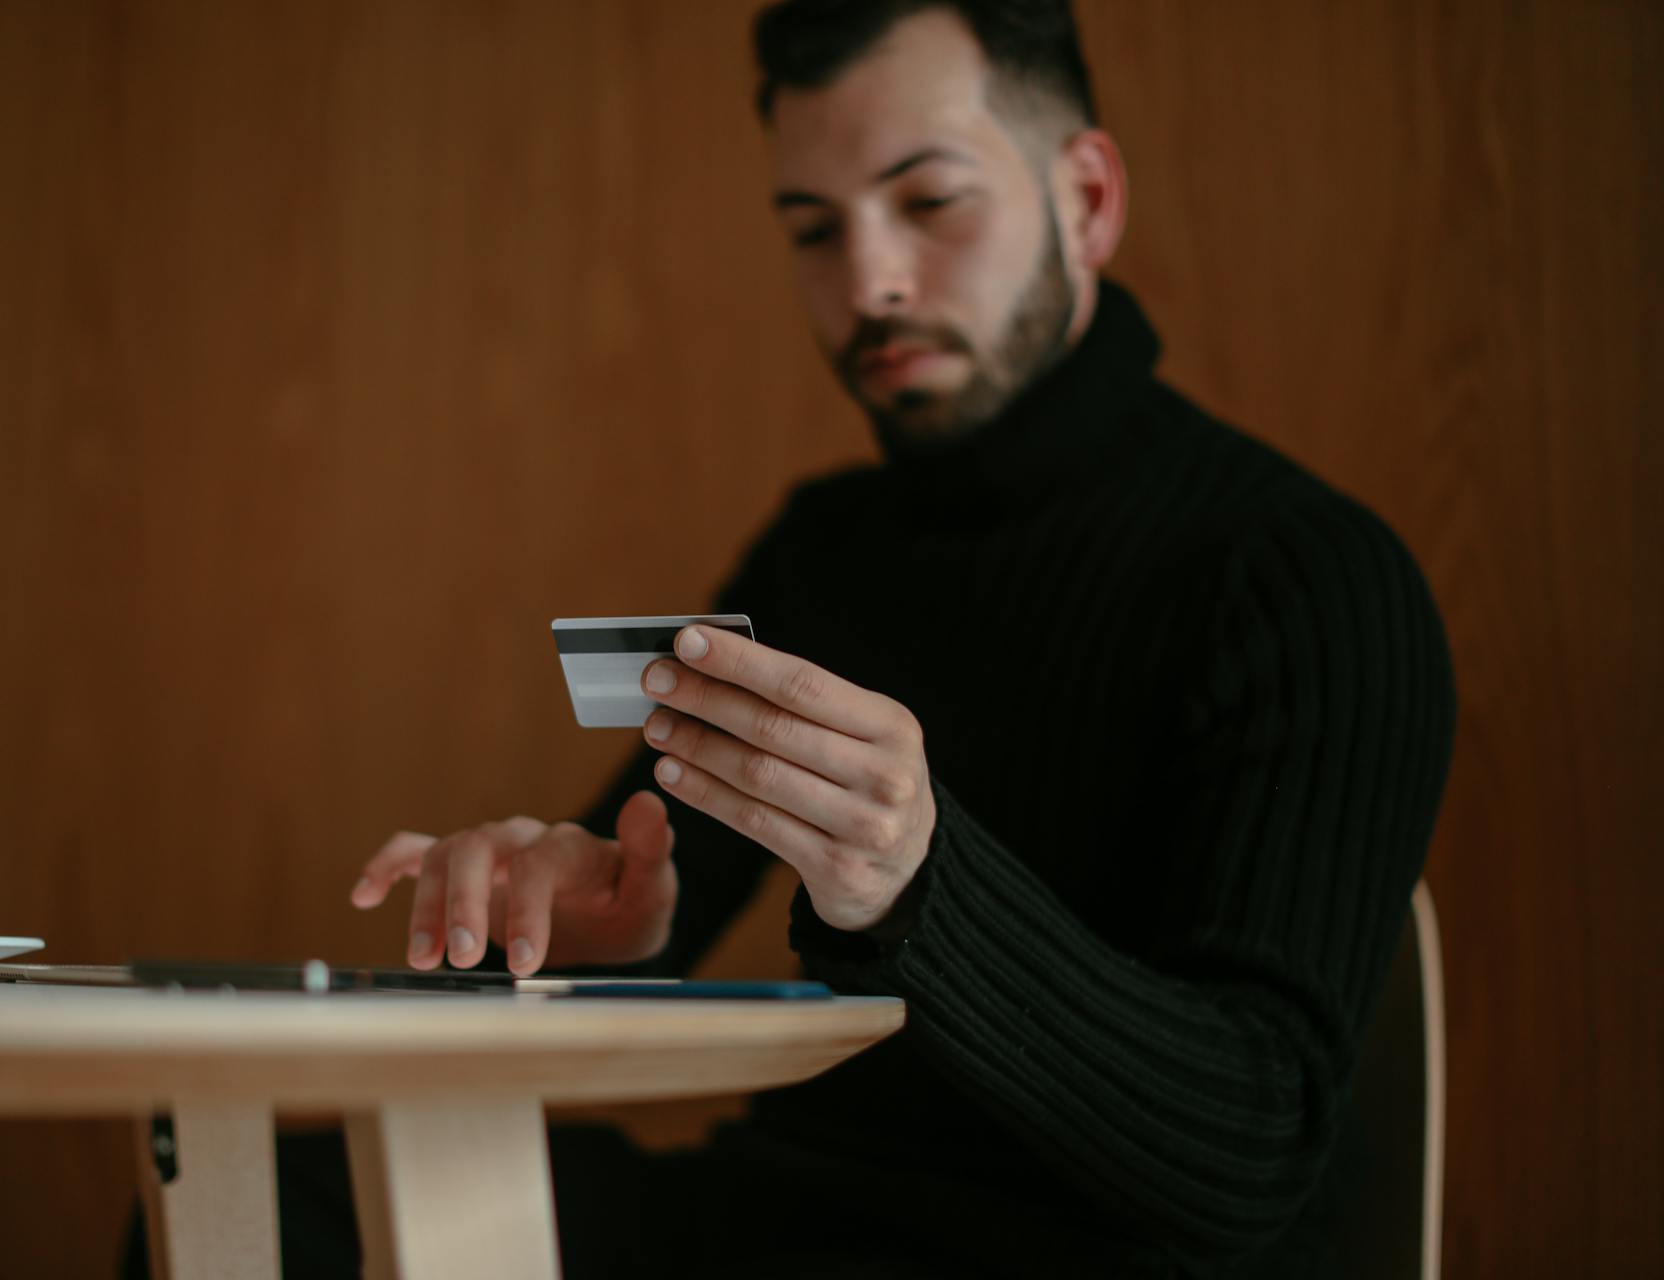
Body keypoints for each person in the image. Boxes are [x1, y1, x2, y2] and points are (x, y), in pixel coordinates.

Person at [280, 2, 1456, 1277]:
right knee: (294, 1190)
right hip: (792, 1215)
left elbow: (1253, 1145)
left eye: (930, 202)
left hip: (1092, 1250)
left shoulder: (1309, 576)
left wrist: (920, 881)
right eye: (813, 229)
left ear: (1089, 199)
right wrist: (579, 929)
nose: (869, 283)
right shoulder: (824, 552)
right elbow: (647, 885)